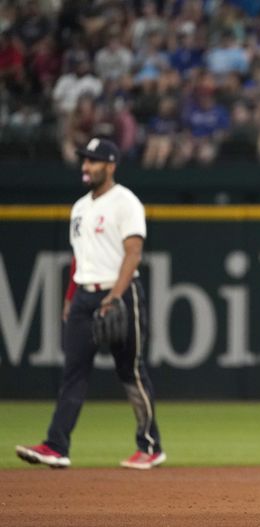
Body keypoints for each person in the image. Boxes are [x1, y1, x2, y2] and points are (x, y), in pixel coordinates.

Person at [16, 137, 166, 470]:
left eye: (93, 161)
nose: (86, 166)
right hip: (85, 294)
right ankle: (56, 446)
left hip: (120, 292)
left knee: (130, 372)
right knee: (74, 373)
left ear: (110, 166)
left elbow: (133, 253)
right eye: (84, 160)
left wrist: (114, 296)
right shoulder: (80, 207)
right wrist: (71, 296)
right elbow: (78, 257)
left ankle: (150, 445)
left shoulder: (125, 202)